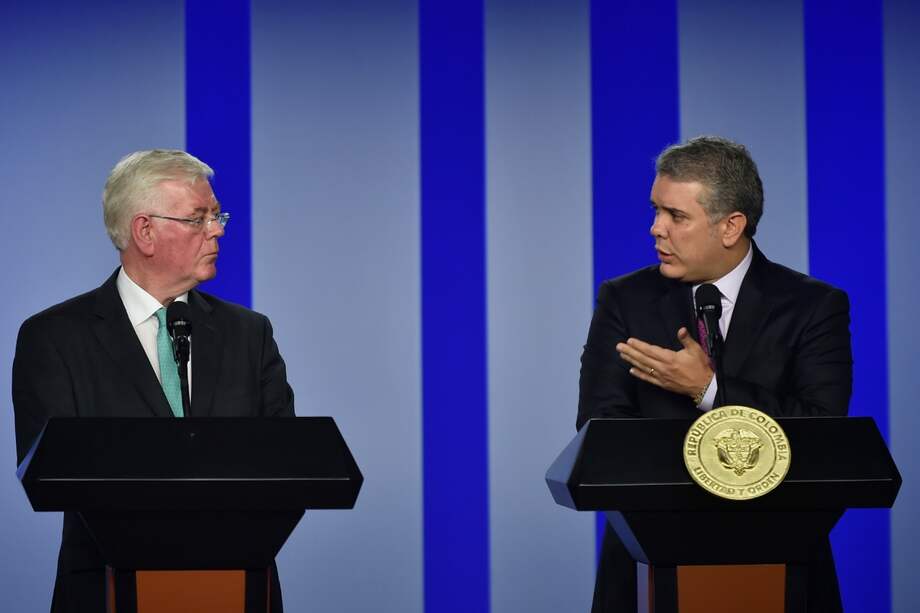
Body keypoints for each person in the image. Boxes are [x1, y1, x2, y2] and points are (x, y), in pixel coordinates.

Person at [12, 150, 295, 613]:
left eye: (217, 215)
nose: (219, 229)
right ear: (144, 230)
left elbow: (285, 460)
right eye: (199, 218)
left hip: (236, 588)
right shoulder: (55, 336)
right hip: (106, 590)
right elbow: (48, 470)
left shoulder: (249, 333)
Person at [578, 136, 851, 612]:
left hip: (782, 564)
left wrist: (709, 390)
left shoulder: (814, 307)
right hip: (648, 568)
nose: (655, 229)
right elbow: (601, 432)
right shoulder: (625, 301)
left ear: (731, 227)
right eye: (656, 210)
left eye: (676, 216)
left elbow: (820, 433)